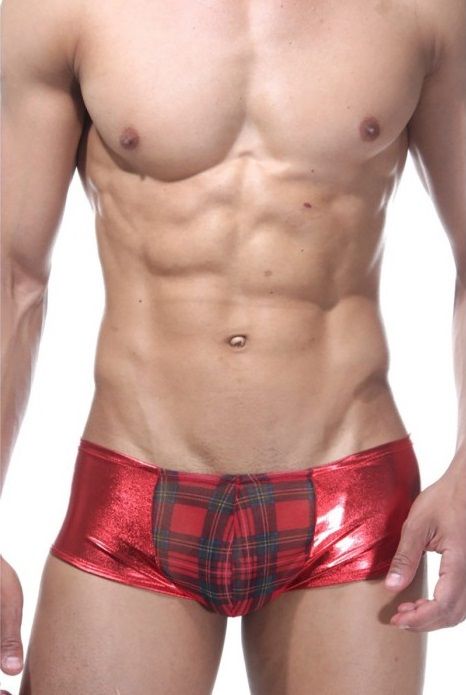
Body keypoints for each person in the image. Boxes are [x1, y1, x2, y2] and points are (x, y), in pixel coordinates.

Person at [1, 0, 465, 693]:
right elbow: (14, 278)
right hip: (132, 496)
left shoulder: (424, 10)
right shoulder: (59, 10)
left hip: (352, 499)